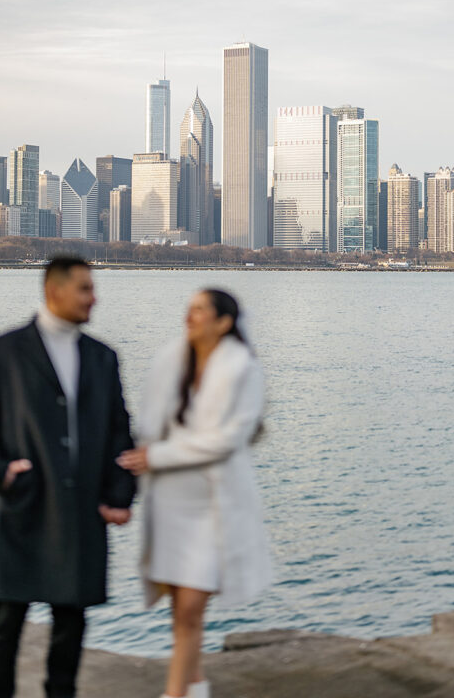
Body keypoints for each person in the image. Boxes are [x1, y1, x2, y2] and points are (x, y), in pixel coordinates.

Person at [0, 255, 136, 698]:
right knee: (6, 619)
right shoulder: (2, 351)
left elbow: (120, 430)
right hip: (23, 503)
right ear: (54, 291)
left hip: (81, 508)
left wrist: (119, 495)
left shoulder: (103, 357)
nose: (94, 298)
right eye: (85, 289)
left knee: (72, 621)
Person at [118, 288, 271, 698]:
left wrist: (158, 456)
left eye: (201, 310)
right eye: (189, 308)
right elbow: (150, 423)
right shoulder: (171, 359)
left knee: (190, 608)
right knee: (179, 609)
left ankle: (173, 694)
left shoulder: (243, 368)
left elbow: (227, 439)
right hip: (170, 500)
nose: (191, 316)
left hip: (212, 504)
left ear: (223, 322)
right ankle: (196, 685)